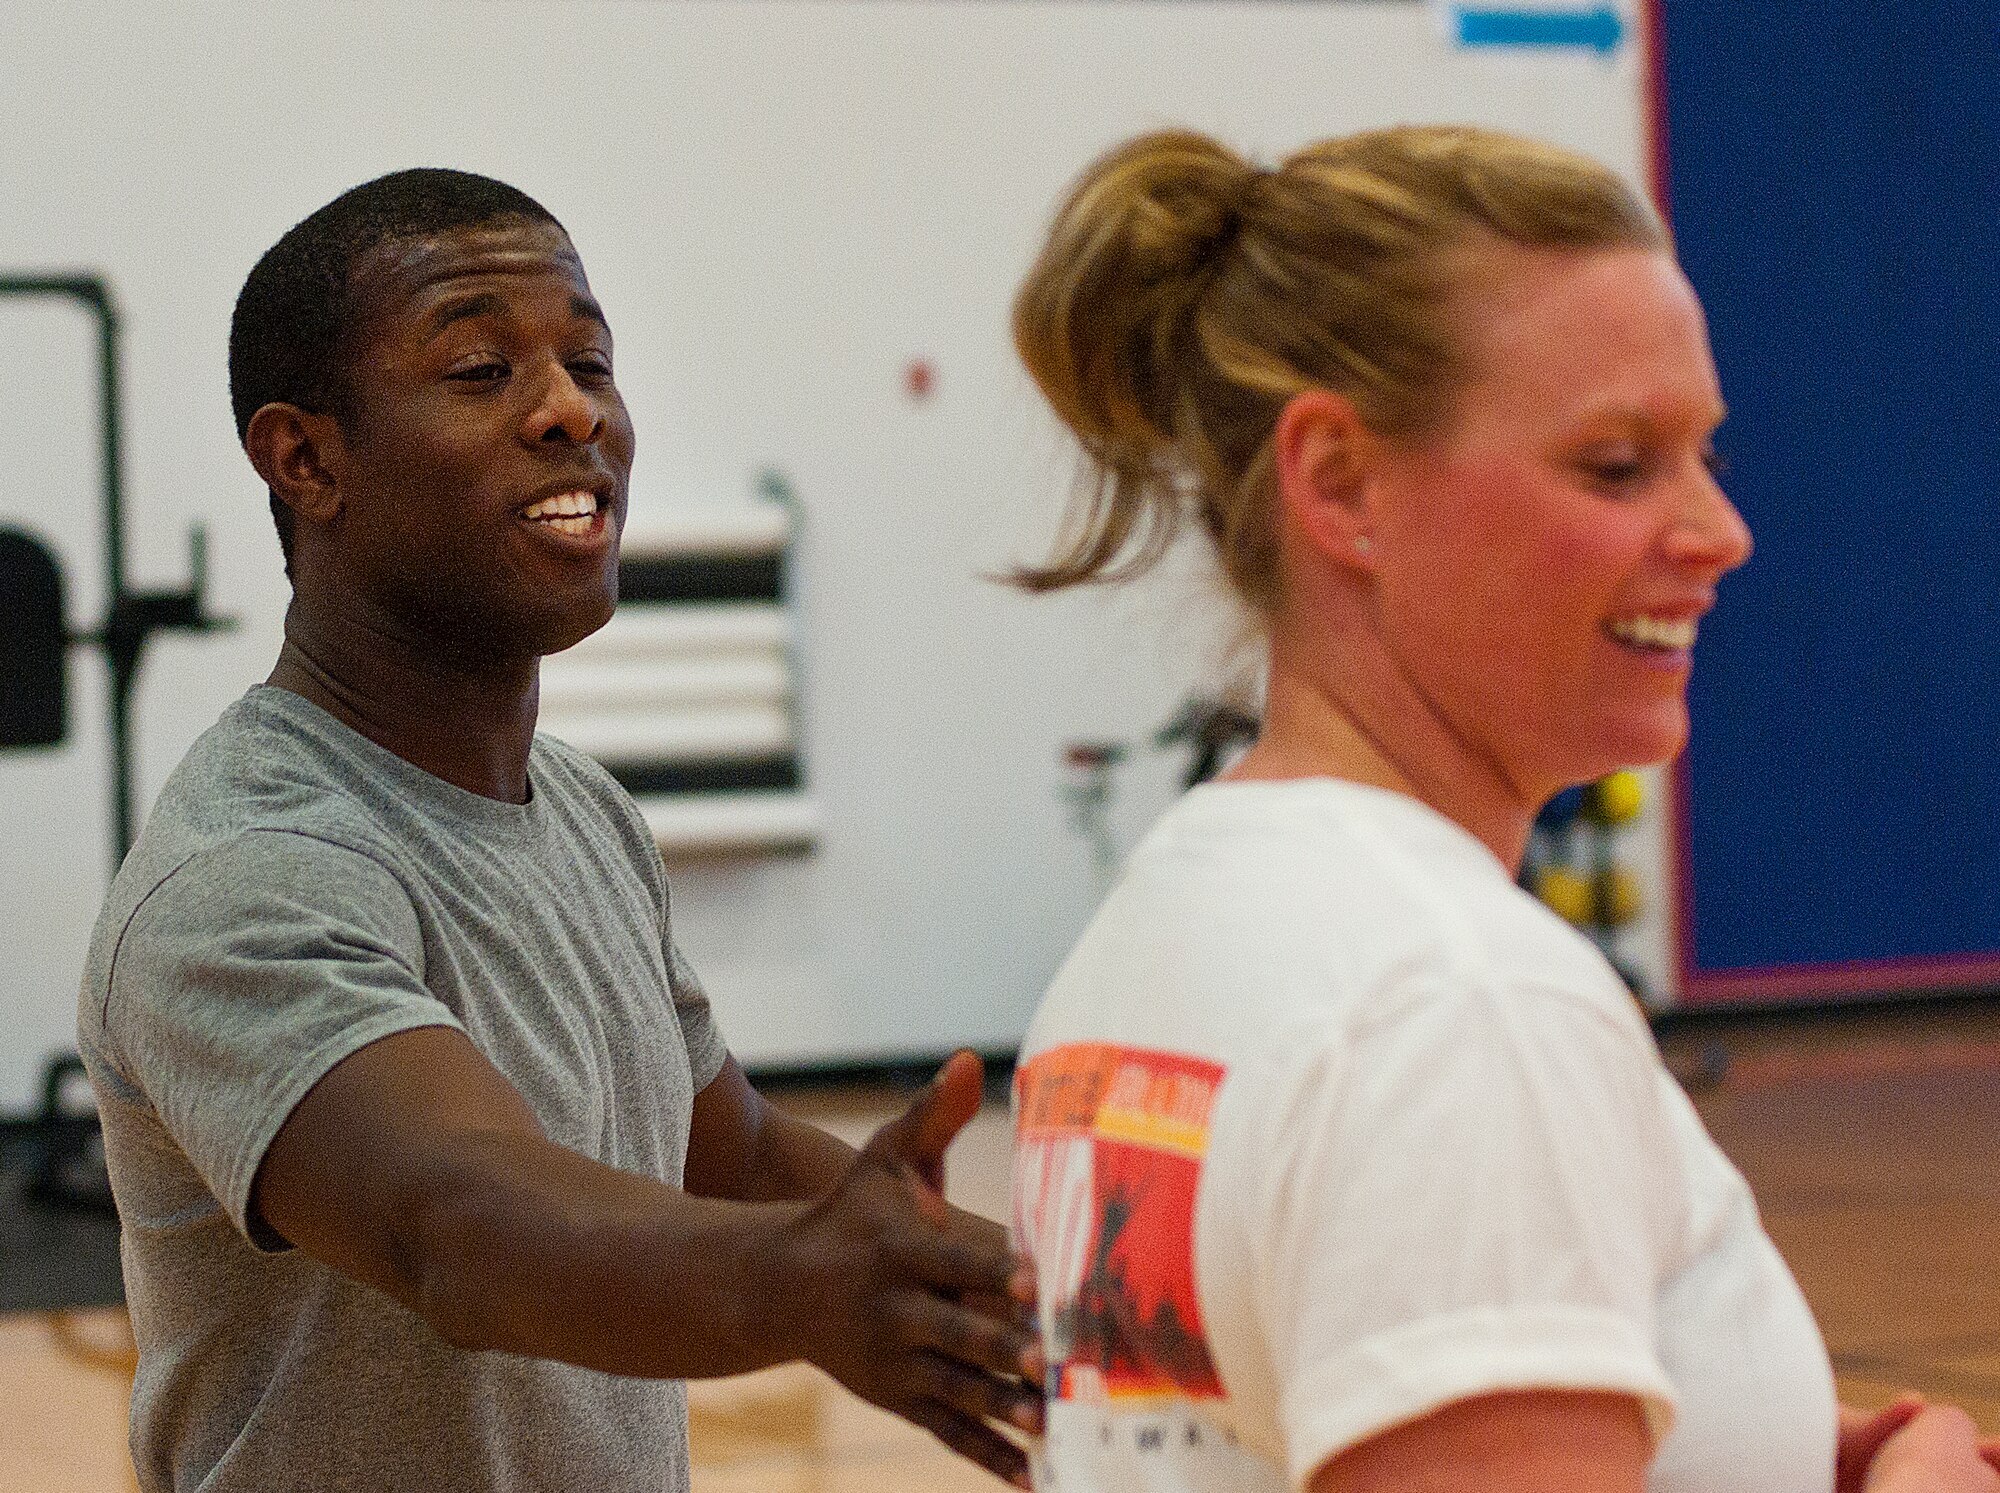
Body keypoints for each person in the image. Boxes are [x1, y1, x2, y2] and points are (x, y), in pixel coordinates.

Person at [1004, 126, 1999, 1493]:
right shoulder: (1454, 1007)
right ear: (1342, 484)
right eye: (1615, 464)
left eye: (1705, 453)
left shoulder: (1152, 940)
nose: (1720, 531)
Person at [76, 169, 1040, 1493]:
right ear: (307, 460)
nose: (573, 405)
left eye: (589, 359)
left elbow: (739, 1153)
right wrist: (803, 1288)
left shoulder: (584, 808)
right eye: (480, 369)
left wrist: (1038, 1294)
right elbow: (459, 1224)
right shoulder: (247, 872)